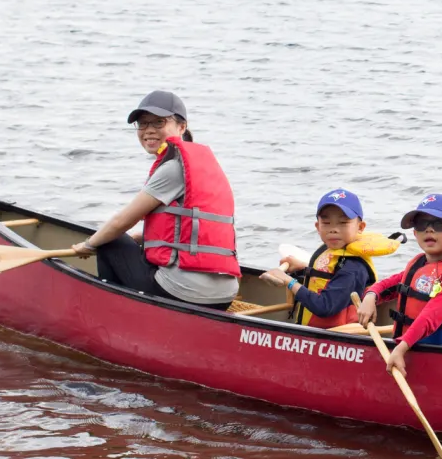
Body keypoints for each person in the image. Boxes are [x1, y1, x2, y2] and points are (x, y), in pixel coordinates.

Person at [69, 91, 240, 310]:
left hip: (184, 294)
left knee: (110, 240)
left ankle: (112, 312)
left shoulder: (172, 169)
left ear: (182, 126)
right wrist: (145, 237)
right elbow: (188, 228)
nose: (149, 130)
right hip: (223, 296)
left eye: (159, 122)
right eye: (142, 124)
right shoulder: (203, 166)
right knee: (123, 242)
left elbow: (121, 221)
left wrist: (88, 245)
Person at [356, 194, 442, 375]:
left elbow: (430, 318)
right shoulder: (420, 264)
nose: (429, 230)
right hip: (413, 345)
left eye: (439, 224)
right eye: (421, 224)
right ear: (415, 233)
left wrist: (400, 348)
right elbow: (391, 284)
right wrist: (370, 296)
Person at [258, 189, 397, 328]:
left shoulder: (353, 268)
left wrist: (289, 281)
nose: (333, 229)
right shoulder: (335, 249)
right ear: (318, 227)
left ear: (360, 227)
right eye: (326, 223)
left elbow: (325, 307)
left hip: (337, 337)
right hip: (315, 331)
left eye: (343, 223)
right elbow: (328, 275)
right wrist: (305, 268)